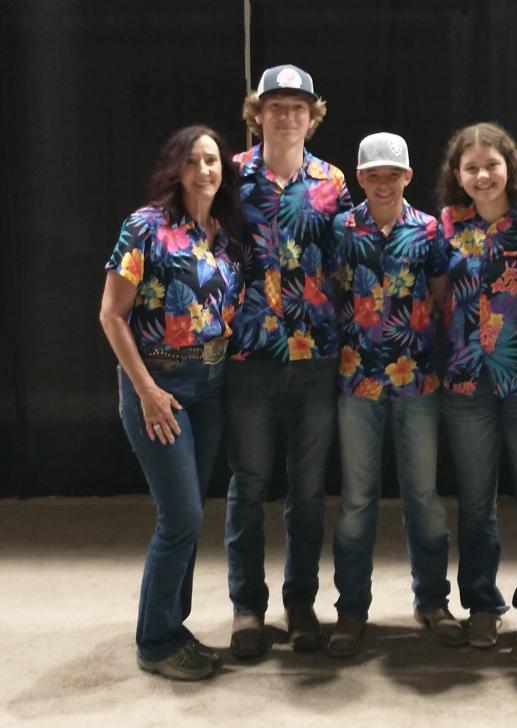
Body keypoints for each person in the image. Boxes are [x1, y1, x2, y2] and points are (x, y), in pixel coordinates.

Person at [99, 125, 242, 680]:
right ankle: (155, 642)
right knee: (180, 514)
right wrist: (147, 391)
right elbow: (112, 314)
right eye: (194, 160)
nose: (205, 169)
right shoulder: (146, 227)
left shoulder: (224, 237)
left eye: (213, 160)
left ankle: (172, 624)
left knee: (189, 513)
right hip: (160, 386)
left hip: (209, 387)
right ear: (177, 168)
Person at [224, 63, 353, 658]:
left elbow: (347, 261)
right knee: (249, 485)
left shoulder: (332, 181)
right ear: (258, 114)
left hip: (316, 355)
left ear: (312, 116)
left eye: (297, 106)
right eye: (275, 105)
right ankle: (247, 609)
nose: (287, 115)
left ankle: (299, 603)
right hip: (250, 355)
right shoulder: (230, 178)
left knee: (306, 489)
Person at [327, 132, 464, 657]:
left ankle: (432, 601)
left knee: (424, 498)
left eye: (394, 174)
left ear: (408, 177)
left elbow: (438, 295)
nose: (384, 183)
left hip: (417, 380)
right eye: (374, 174)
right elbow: (331, 292)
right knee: (357, 501)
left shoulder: (428, 231)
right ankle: (351, 612)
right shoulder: (341, 229)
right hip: (356, 379)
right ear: (360, 178)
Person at [434, 122, 517, 659]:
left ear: (509, 164)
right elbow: (435, 295)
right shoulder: (445, 225)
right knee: (476, 503)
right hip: (466, 381)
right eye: (471, 168)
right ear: (457, 175)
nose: (483, 175)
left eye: (491, 164)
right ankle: (483, 606)